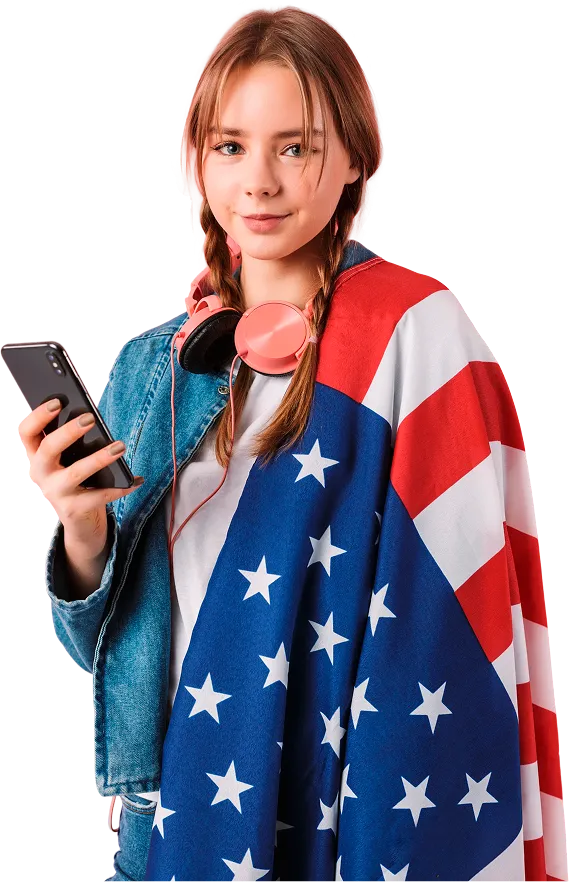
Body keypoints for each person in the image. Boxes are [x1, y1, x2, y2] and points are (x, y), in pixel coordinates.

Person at [20, 5, 565, 882]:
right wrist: (81, 532)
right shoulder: (148, 370)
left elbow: (441, 631)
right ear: (194, 161)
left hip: (333, 818)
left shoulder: (413, 342)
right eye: (230, 146)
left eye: (296, 146)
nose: (259, 183)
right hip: (167, 823)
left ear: (353, 159)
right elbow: (107, 657)